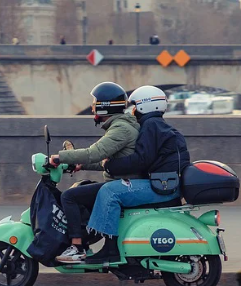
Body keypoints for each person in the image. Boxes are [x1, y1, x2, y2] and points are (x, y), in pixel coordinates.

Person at [85, 86, 191, 265]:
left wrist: (110, 166)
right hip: (166, 183)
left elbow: (141, 160)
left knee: (110, 191)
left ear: (144, 105)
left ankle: (110, 249)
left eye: (134, 106)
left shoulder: (151, 126)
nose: (132, 111)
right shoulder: (158, 125)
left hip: (162, 186)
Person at [48, 82, 140, 264]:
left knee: (69, 197)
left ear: (105, 106)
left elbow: (94, 153)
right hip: (121, 181)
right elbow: (108, 162)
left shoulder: (120, 129)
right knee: (83, 188)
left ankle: (77, 247)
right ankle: (86, 241)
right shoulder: (121, 125)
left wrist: (59, 157)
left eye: (95, 102)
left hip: (121, 184)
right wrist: (81, 165)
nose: (92, 107)